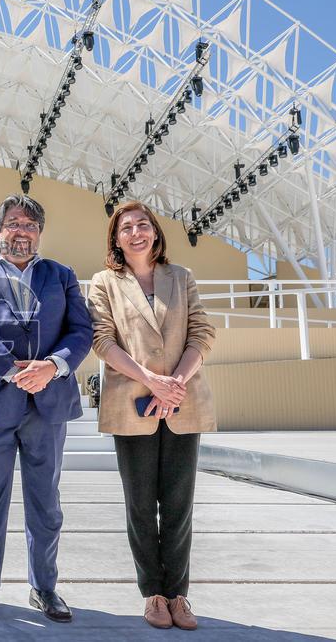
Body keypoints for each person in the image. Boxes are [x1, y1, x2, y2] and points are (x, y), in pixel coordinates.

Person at [0, 194, 92, 624]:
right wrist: (12, 370)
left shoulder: (61, 276)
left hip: (47, 407)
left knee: (45, 501)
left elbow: (81, 330)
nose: (21, 230)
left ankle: (44, 587)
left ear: (39, 233)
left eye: (30, 224)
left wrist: (52, 366)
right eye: (13, 222)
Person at [86, 201, 216, 631]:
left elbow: (201, 332)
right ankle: (153, 595)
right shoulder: (105, 283)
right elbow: (103, 340)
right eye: (127, 227)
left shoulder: (181, 278)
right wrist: (150, 380)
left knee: (178, 505)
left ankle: (179, 594)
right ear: (116, 239)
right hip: (133, 405)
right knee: (140, 505)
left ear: (156, 234)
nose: (136, 232)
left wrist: (175, 381)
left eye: (143, 225)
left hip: (183, 402)